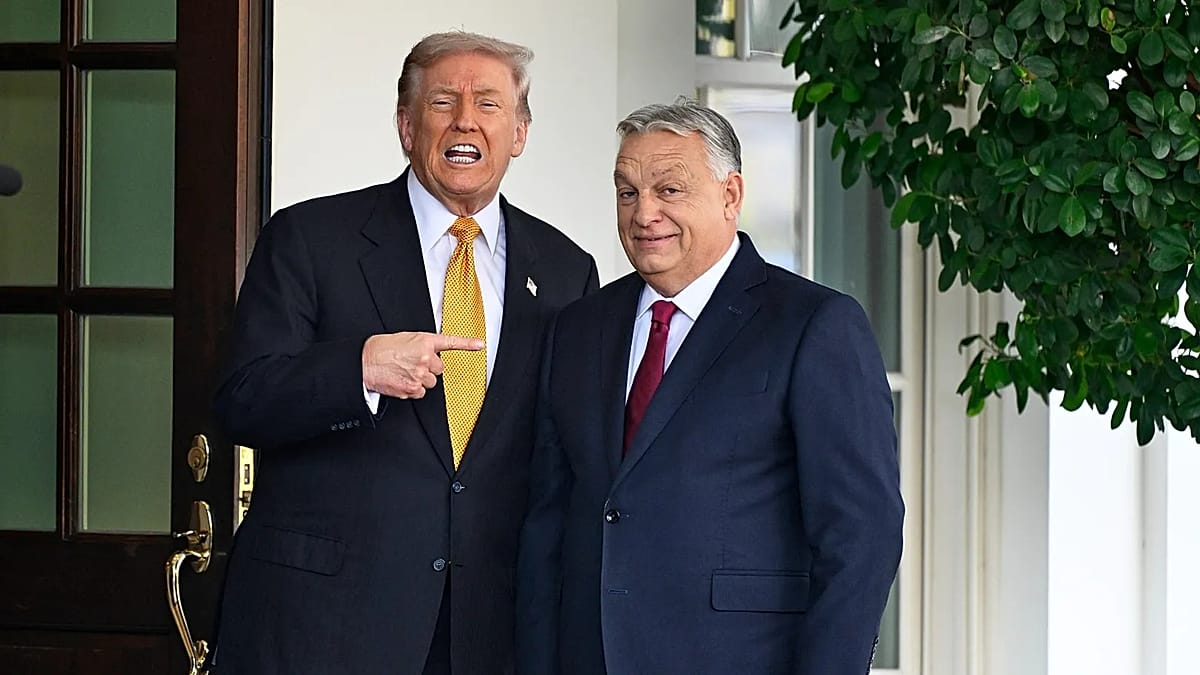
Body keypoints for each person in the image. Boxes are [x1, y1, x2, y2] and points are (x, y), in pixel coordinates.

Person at [209, 31, 598, 675]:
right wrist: (357, 369)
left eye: (489, 104)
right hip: (325, 623)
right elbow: (241, 400)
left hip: (487, 629)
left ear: (520, 133)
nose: (466, 120)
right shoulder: (310, 237)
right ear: (406, 127)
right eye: (443, 101)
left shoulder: (565, 269)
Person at [515, 99, 903, 675]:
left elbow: (861, 535)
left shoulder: (813, 324)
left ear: (731, 194)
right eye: (627, 192)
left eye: (669, 190)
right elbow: (547, 524)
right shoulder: (578, 327)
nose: (644, 213)